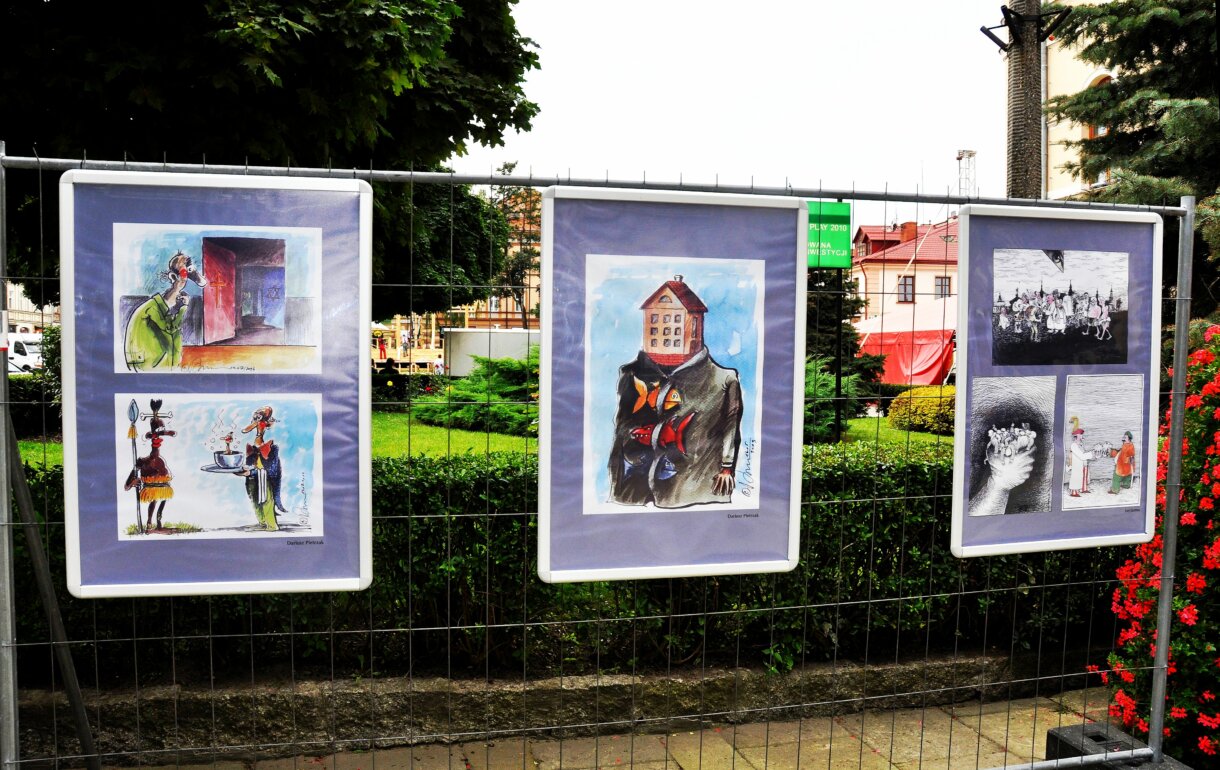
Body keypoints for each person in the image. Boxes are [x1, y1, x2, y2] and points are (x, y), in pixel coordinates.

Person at [608, 276, 742, 508]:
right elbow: (621, 434)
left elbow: (730, 430)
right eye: (657, 316)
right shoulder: (630, 374)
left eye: (675, 316)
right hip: (632, 495)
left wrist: (727, 467)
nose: (665, 324)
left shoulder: (724, 380)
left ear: (696, 322)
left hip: (693, 495)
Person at [124, 251, 207, 371]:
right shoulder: (151, 309)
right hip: (147, 366)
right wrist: (183, 307)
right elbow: (170, 328)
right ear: (173, 277)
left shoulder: (161, 309)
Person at [123, 399, 176, 531]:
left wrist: (164, 433)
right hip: (148, 482)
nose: (158, 437)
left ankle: (158, 521)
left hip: (161, 483)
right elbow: (126, 486)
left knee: (162, 497)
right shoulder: (142, 461)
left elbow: (163, 433)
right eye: (156, 433)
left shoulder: (161, 463)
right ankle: (149, 522)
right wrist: (133, 482)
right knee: (154, 499)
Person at [236, 406, 286, 530]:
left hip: (264, 477)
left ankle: (272, 526)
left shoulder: (271, 447)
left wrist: (251, 472)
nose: (257, 416)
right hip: (253, 476)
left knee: (266, 500)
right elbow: (245, 430)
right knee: (254, 499)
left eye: (260, 414)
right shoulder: (254, 444)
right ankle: (263, 522)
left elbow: (270, 469)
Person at [1067, 427, 1091, 496]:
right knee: (1076, 476)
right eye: (1080, 434)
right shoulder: (1074, 445)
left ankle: (1084, 488)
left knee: (1084, 475)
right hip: (1077, 464)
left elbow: (1083, 453)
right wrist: (1091, 454)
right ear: (1077, 435)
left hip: (1083, 463)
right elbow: (1081, 455)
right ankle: (1074, 492)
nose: (1082, 436)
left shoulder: (1081, 444)